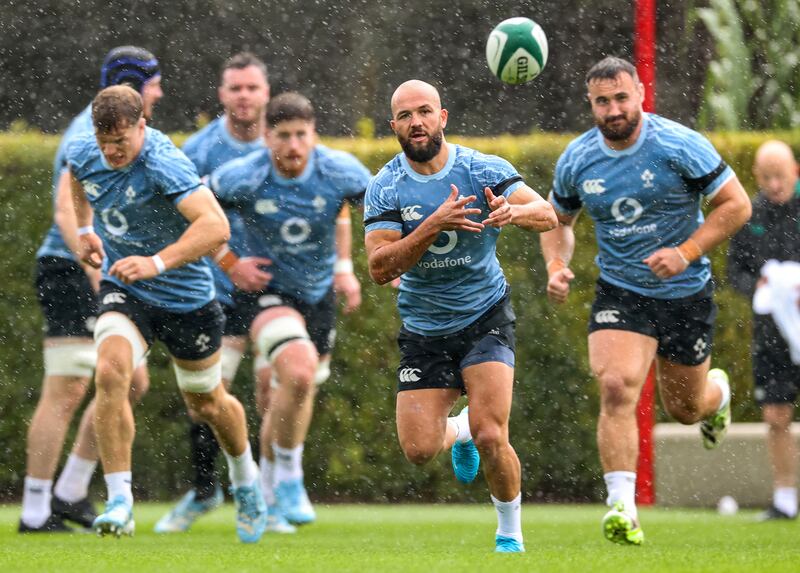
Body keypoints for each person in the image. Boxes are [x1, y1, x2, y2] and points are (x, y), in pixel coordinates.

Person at [540, 56, 751, 545]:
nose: (613, 109)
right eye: (601, 101)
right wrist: (556, 265)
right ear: (590, 105)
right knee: (616, 386)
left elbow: (736, 204)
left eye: (620, 97)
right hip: (622, 289)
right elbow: (558, 223)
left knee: (686, 409)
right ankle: (621, 507)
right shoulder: (577, 159)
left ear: (639, 93)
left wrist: (687, 251)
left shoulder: (678, 144)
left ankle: (716, 397)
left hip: (685, 292)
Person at [363, 79, 558, 553]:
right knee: (418, 451)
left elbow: (547, 214)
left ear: (442, 117)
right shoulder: (385, 185)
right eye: (406, 116)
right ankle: (461, 428)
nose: (416, 122)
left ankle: (509, 534)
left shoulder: (480, 168)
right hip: (425, 329)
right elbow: (379, 267)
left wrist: (512, 211)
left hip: (484, 317)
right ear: (394, 126)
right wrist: (432, 224)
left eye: (424, 111)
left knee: (495, 433)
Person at [69, 85, 266, 542]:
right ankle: (120, 501)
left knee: (208, 403)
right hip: (126, 288)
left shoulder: (163, 161)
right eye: (105, 145)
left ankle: (246, 480)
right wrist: (84, 229)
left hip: (186, 298)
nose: (112, 153)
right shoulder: (87, 150)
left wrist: (155, 263)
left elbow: (215, 226)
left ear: (143, 125)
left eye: (121, 143)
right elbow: (75, 176)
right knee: (111, 372)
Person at [209, 92, 369, 527]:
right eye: (283, 136)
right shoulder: (242, 177)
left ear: (314, 134)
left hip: (318, 297)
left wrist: (347, 268)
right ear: (266, 138)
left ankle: (264, 495)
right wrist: (230, 264)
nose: (294, 146)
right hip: (265, 292)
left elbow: (373, 212)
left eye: (302, 135)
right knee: (297, 372)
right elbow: (195, 214)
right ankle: (291, 477)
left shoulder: (340, 170)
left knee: (289, 393)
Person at [21, 46, 161, 533]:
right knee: (66, 389)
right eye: (155, 82)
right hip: (72, 268)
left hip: (94, 268)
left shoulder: (109, 124)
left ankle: (71, 490)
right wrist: (93, 269)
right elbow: (67, 209)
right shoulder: (92, 131)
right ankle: (36, 510)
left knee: (129, 381)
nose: (160, 92)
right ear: (135, 86)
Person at [153, 51, 282, 533]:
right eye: (235, 88)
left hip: (278, 288)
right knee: (207, 395)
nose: (244, 96)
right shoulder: (200, 151)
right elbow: (185, 222)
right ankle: (205, 492)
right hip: (221, 289)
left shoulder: (287, 140)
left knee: (283, 385)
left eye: (252, 87)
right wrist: (230, 264)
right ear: (222, 94)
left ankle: (275, 494)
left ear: (265, 93)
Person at [727, 140, 800, 521]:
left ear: (795, 171)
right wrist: (756, 285)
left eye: (781, 176)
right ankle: (785, 498)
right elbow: (735, 270)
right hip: (771, 333)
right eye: (767, 177)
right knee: (775, 415)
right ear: (757, 176)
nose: (775, 184)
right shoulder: (749, 213)